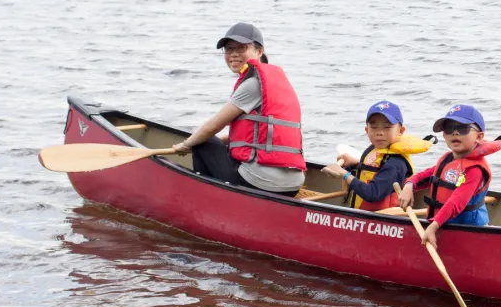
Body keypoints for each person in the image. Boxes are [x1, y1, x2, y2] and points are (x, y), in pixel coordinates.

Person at [171, 23, 306, 193]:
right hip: (293, 185)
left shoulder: (252, 85)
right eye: (229, 49)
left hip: (261, 183)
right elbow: (261, 133)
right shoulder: (277, 83)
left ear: (259, 51)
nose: (234, 54)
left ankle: (206, 196)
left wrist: (186, 144)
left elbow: (213, 126)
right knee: (211, 141)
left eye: (241, 48)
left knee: (202, 142)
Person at [397, 104, 501, 248]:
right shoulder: (448, 159)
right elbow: (424, 176)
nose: (455, 133)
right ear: (443, 135)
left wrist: (433, 227)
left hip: (468, 230)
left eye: (462, 128)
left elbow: (456, 202)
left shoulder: (475, 170)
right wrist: (409, 185)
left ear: (479, 136)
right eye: (449, 129)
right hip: (443, 224)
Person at [321, 101, 433, 211]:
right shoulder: (379, 149)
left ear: (401, 131)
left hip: (382, 220)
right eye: (374, 127)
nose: (379, 132)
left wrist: (344, 174)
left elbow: (372, 194)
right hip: (363, 212)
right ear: (366, 130)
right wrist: (356, 164)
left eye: (387, 127)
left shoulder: (395, 163)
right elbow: (373, 169)